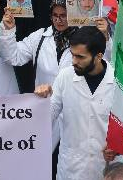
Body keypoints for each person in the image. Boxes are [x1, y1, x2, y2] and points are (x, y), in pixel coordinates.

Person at [35, 26, 116, 180]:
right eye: (72, 55)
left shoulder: (118, 81)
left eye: (80, 57)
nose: (74, 61)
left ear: (98, 56)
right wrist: (41, 101)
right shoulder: (65, 76)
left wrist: (118, 146)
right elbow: (47, 117)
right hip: (72, 169)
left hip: (108, 168)